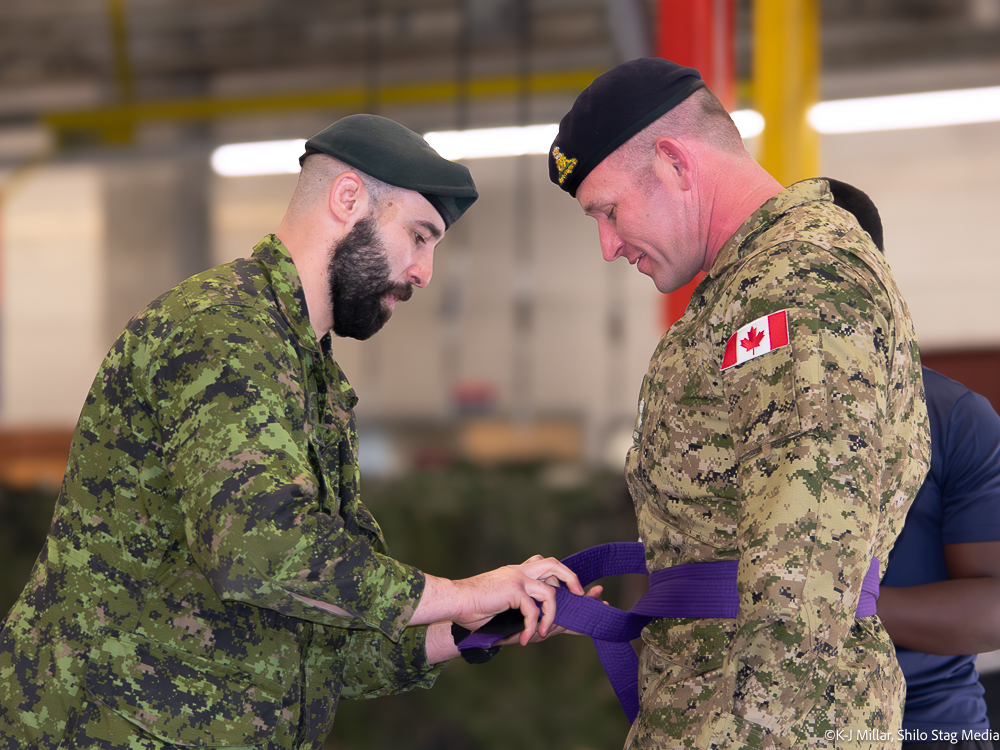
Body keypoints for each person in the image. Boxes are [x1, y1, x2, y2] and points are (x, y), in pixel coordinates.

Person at [0, 114, 585, 749]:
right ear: (347, 199)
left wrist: (475, 621)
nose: (424, 272)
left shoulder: (312, 378)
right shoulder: (222, 330)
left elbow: (328, 641)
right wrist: (453, 591)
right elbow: (257, 550)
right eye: (419, 236)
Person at [547, 58, 930, 749]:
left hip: (768, 723)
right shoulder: (745, 285)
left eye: (608, 211)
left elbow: (809, 557)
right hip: (715, 701)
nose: (607, 246)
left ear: (672, 162)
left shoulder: (797, 279)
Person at [827, 179, 1000, 750]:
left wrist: (837, 598)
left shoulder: (954, 419)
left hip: (923, 723)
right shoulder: (722, 419)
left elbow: (994, 603)